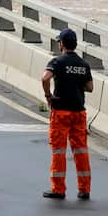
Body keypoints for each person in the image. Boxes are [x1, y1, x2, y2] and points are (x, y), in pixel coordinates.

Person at [41, 28, 94, 201]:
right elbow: (90, 88)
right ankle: (84, 189)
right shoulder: (83, 64)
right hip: (79, 112)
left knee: (59, 151)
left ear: (62, 44)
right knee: (81, 151)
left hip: (61, 112)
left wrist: (48, 96)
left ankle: (58, 189)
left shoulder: (57, 62)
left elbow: (45, 78)